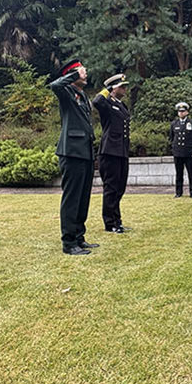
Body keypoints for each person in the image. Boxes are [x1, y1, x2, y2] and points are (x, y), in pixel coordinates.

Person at [49, 59, 100, 256]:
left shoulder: (82, 95)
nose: (85, 74)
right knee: (72, 198)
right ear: (72, 74)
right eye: (82, 71)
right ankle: (69, 242)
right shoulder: (67, 92)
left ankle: (79, 237)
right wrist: (73, 75)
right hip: (71, 152)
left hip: (85, 151)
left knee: (83, 197)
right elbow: (54, 85)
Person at [92, 73, 132, 233]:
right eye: (122, 86)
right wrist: (107, 89)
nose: (125, 89)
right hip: (109, 152)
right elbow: (96, 101)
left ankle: (117, 220)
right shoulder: (106, 104)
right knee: (111, 188)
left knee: (120, 188)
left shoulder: (122, 106)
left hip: (122, 151)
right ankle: (110, 223)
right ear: (114, 88)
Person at [170, 101, 192, 197]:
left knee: (191, 173)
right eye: (180, 111)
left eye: (183, 111)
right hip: (178, 152)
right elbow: (171, 137)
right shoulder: (174, 123)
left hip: (189, 152)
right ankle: (178, 192)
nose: (181, 113)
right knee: (179, 174)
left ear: (187, 112)